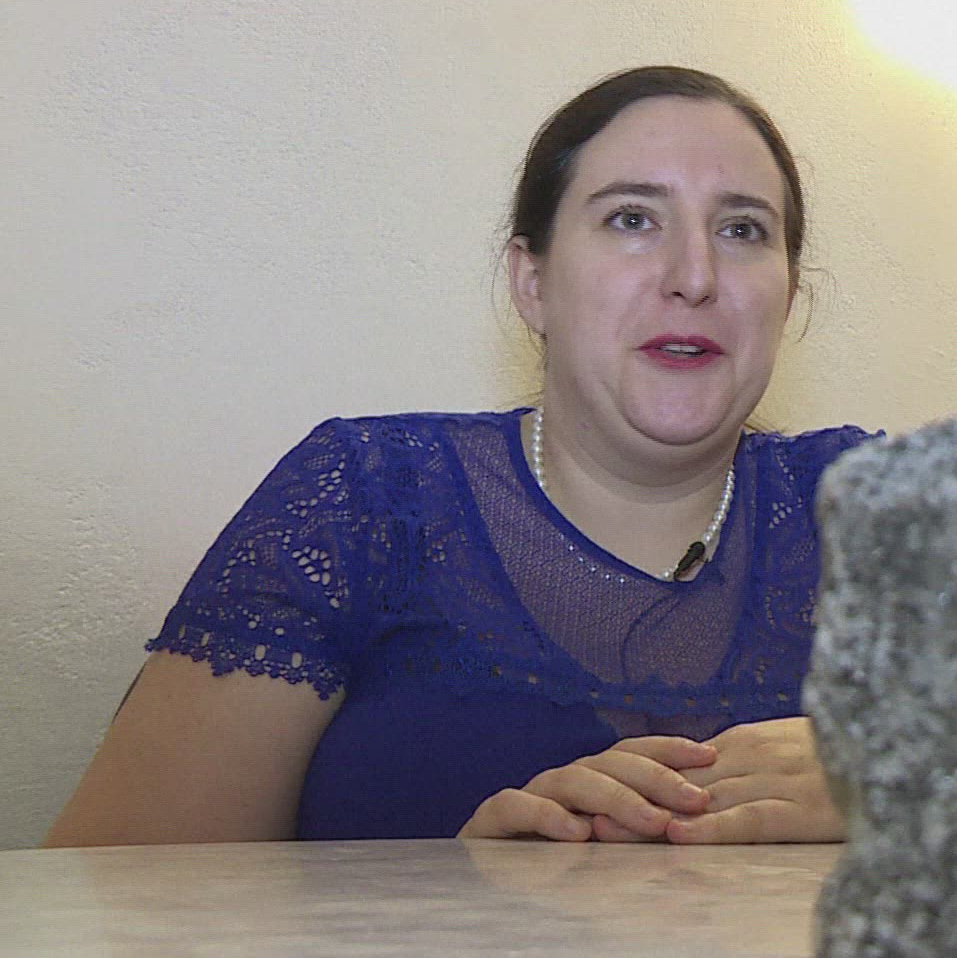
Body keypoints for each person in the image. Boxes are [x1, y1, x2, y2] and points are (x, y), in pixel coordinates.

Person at [45, 67, 879, 846]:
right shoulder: (364, 497)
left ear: (787, 297)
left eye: (742, 230)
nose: (694, 275)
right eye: (632, 219)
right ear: (532, 282)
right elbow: (111, 906)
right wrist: (454, 900)